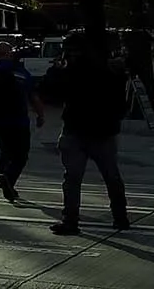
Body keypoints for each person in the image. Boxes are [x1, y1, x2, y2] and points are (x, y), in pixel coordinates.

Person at [39, 28, 132, 234]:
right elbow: (121, 102)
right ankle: (120, 217)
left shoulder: (72, 71)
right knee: (111, 176)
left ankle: (71, 221)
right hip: (101, 130)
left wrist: (56, 70)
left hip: (78, 129)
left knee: (73, 179)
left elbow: (49, 94)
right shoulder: (109, 70)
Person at [0, 39, 44, 203]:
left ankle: (6, 181)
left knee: (5, 151)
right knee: (21, 154)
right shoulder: (19, 71)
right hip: (19, 120)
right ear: (10, 53)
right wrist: (40, 114)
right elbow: (33, 96)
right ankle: (8, 178)